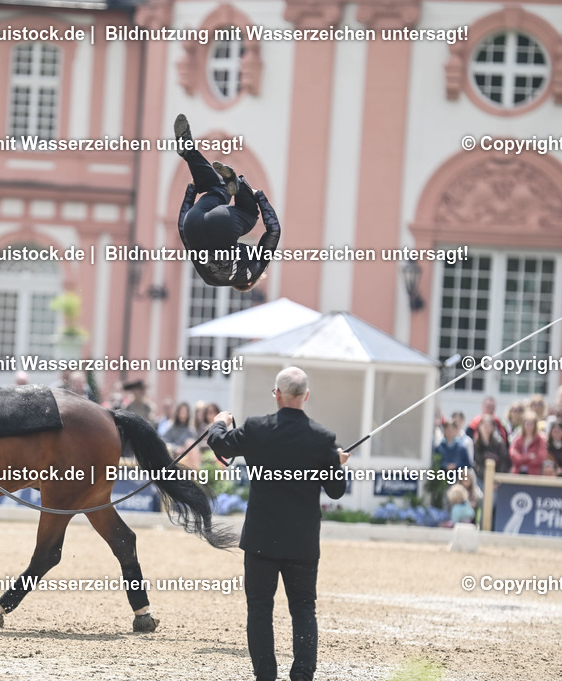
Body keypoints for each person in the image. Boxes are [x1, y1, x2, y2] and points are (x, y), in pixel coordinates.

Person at [207, 366, 348, 681]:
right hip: (302, 542)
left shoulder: (257, 428)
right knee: (303, 609)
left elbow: (221, 444)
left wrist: (219, 423)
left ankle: (266, 676)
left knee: (259, 610)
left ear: (278, 394)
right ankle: (301, 675)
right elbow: (336, 491)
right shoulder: (322, 438)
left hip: (261, 539)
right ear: (306, 396)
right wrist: (337, 465)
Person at [174, 114, 281, 291]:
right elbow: (183, 231)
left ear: (248, 283)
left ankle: (238, 186)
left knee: (250, 215)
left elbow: (274, 230)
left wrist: (259, 197)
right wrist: (191, 192)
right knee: (218, 187)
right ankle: (188, 149)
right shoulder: (207, 278)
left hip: (225, 222)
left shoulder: (254, 270)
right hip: (193, 222)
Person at [472, 413, 510, 480]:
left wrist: (496, 479)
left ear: (493, 427)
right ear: (479, 426)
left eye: (489, 425)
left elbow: (503, 462)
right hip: (479, 478)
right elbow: (474, 463)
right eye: (484, 425)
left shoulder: (499, 443)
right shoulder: (475, 444)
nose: (486, 427)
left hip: (495, 478)